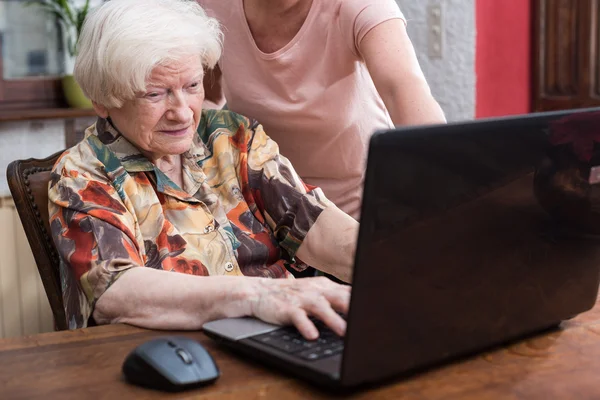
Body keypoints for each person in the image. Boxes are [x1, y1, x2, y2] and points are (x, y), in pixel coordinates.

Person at [48, 0, 358, 340]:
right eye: (155, 94)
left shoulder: (231, 138)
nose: (182, 113)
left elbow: (312, 223)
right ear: (103, 99)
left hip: (278, 340)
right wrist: (259, 296)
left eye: (192, 86)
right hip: (171, 357)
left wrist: (396, 263)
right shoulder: (83, 174)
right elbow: (117, 291)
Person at [199, 0, 446, 220]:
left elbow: (403, 91)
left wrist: (450, 186)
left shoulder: (359, 6)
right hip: (263, 217)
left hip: (358, 216)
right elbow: (204, 97)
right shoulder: (213, 6)